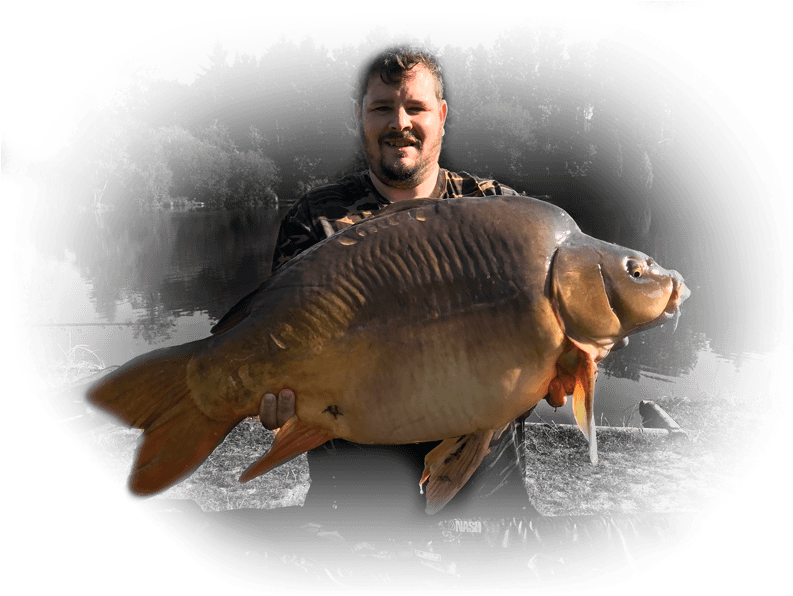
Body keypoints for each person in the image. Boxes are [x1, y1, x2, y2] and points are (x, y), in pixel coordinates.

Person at [258, 41, 567, 534]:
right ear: (359, 117)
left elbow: (550, 338)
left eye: (415, 107)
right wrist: (274, 396)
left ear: (442, 115)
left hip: (488, 493)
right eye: (382, 107)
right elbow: (279, 347)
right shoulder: (316, 220)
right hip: (353, 495)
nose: (399, 122)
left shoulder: (502, 212)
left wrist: (570, 364)